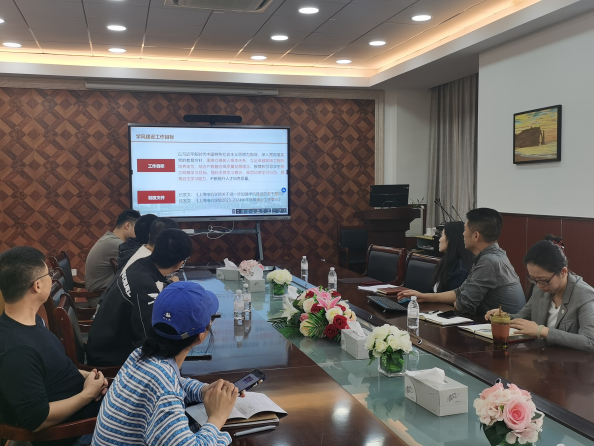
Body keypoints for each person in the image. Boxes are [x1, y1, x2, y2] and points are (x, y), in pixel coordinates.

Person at [92, 281, 238, 446]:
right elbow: (167, 390)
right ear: (201, 335)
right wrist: (217, 417)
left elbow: (174, 383)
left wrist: (203, 391)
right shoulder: (164, 387)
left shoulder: (141, 354)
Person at [0, 247, 108, 446]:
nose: (51, 278)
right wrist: (87, 394)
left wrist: (88, 376)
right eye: (48, 274)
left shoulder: (33, 322)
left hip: (89, 405)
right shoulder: (16, 351)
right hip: (79, 432)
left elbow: (53, 368)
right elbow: (38, 419)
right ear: (37, 286)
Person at [86, 229, 192, 367]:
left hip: (103, 344)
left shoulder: (140, 264)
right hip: (110, 359)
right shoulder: (145, 286)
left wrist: (169, 285)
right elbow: (148, 338)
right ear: (179, 263)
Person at [398, 208, 525, 316]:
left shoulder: (489, 261)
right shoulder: (491, 255)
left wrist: (456, 302)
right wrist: (424, 297)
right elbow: (460, 291)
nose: (463, 234)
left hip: (504, 329)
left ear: (476, 235)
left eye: (465, 230)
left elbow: (463, 305)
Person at [485, 236, 594, 353]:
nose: (539, 285)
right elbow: (522, 317)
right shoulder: (540, 288)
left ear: (563, 272)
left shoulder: (584, 295)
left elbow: (590, 341)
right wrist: (503, 317)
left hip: (571, 362)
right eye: (533, 279)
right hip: (543, 357)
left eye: (543, 280)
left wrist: (541, 331)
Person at [85, 209, 141, 306]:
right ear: (127, 225)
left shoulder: (110, 238)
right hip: (99, 298)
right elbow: (142, 259)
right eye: (136, 228)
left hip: (101, 294)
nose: (137, 233)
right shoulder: (115, 244)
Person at [430, 221, 474, 292]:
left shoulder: (461, 270)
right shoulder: (445, 261)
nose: (439, 240)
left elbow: (453, 297)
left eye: (442, 235)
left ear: (451, 239)